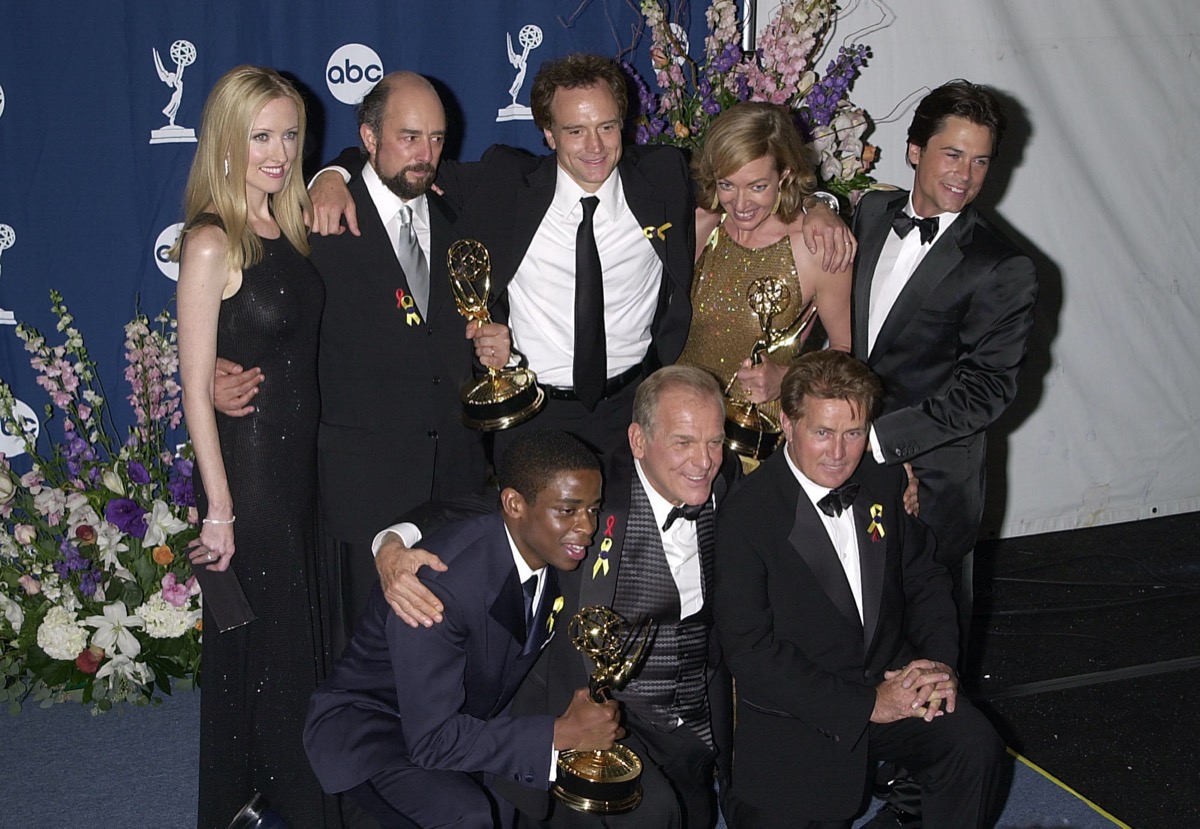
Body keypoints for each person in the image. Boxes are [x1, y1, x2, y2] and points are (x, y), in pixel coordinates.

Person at [309, 54, 852, 457]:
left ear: (624, 126)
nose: (594, 147)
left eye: (606, 127)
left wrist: (819, 207)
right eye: (575, 130)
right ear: (548, 134)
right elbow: (406, 162)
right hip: (531, 413)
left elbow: (745, 183)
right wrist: (333, 173)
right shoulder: (505, 181)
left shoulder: (663, 177)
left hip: (636, 410)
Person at [213, 71, 511, 657]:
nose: (425, 154)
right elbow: (260, 314)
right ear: (368, 138)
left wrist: (496, 347)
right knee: (360, 662)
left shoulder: (460, 219)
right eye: (408, 137)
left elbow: (467, 334)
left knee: (448, 657)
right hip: (357, 491)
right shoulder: (313, 222)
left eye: (437, 138)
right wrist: (212, 376)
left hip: (453, 481)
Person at [374, 366, 741, 828]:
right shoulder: (591, 490)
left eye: (713, 441)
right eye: (683, 442)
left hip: (694, 720)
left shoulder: (726, 482)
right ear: (638, 441)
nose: (703, 461)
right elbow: (488, 506)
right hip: (599, 717)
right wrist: (391, 543)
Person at [849, 79, 1036, 828]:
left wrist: (877, 442)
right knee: (858, 624)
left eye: (981, 160)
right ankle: (868, 765)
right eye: (953, 154)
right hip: (847, 463)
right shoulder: (869, 214)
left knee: (927, 639)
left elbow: (987, 389)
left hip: (931, 478)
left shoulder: (1003, 265)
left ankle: (919, 802)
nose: (966, 173)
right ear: (915, 151)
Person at [713, 351, 1005, 829]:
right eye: (822, 433)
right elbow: (751, 654)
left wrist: (936, 666)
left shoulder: (884, 481)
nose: (838, 453)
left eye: (853, 433)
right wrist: (870, 705)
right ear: (787, 423)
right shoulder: (746, 515)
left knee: (973, 744)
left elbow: (926, 578)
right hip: (804, 711)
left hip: (891, 679)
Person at [303, 430, 620, 829]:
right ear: (514, 505)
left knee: (510, 800)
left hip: (465, 715)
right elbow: (432, 740)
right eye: (568, 510)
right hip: (377, 730)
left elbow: (467, 505)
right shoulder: (436, 591)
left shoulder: (546, 540)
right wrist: (559, 733)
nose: (587, 527)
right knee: (469, 815)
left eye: (593, 508)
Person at [174, 66, 339, 828]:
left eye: (289, 135)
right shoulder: (214, 240)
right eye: (261, 136)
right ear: (226, 141)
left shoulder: (288, 224)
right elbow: (193, 385)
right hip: (251, 478)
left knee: (286, 651)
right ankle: (271, 805)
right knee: (269, 656)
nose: (278, 152)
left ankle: (273, 801)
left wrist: (335, 173)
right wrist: (220, 508)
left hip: (297, 470)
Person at [680, 102, 852, 415]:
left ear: (784, 175)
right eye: (727, 185)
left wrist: (787, 377)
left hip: (762, 430)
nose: (740, 203)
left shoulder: (817, 245)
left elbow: (845, 353)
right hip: (681, 419)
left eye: (757, 187)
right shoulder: (701, 225)